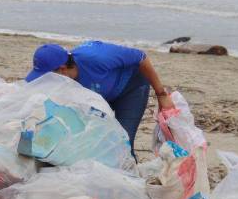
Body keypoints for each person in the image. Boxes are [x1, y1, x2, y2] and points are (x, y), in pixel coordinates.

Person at [25, 41, 174, 159]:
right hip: (101, 96)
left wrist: (161, 95)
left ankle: (129, 180)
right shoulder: (65, 80)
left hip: (131, 89)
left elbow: (141, 57)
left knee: (123, 142)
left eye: (47, 76)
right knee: (92, 141)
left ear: (62, 68)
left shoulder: (97, 57)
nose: (47, 81)